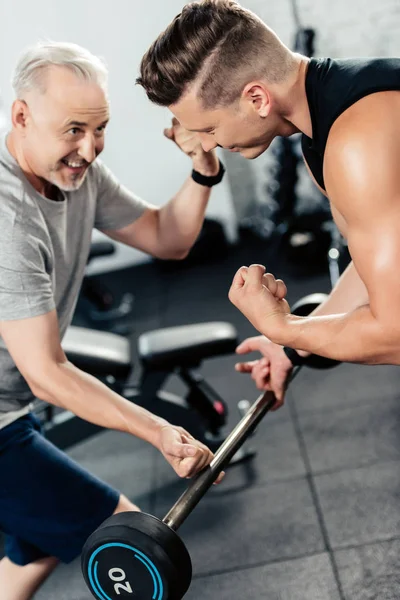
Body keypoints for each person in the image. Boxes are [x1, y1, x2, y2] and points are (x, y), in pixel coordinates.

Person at [0, 40, 226, 600]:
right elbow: (48, 373)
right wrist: (158, 430)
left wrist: (203, 170)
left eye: (98, 129)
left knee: (37, 546)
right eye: (73, 129)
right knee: (126, 540)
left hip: (10, 409)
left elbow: (166, 239)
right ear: (21, 117)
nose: (89, 148)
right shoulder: (8, 223)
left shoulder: (78, 178)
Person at [137, 0, 400, 409]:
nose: (207, 144)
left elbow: (396, 332)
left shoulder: (355, 142)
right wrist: (295, 347)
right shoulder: (329, 122)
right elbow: (378, 272)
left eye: (208, 128)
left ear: (257, 98)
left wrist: (285, 328)